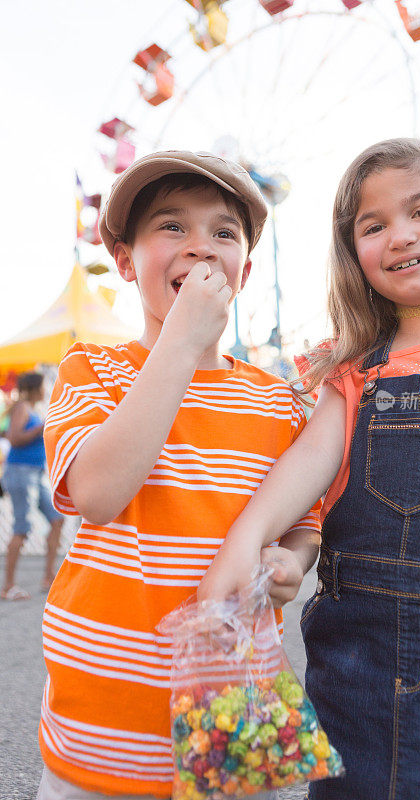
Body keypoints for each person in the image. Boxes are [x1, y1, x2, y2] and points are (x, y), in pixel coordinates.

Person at [199, 138, 420, 799]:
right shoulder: (352, 369)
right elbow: (308, 459)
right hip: (352, 662)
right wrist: (242, 540)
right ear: (351, 250)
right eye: (372, 225)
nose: (398, 236)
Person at [37, 150, 321, 800]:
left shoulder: (278, 401)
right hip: (99, 719)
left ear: (243, 269)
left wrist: (291, 562)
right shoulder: (93, 370)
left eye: (222, 232)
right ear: (125, 261)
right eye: (171, 226)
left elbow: (305, 524)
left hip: (232, 702)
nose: (199, 247)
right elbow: (99, 495)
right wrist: (179, 344)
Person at [1, 372, 63, 600]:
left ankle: (49, 576)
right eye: (43, 385)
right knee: (21, 527)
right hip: (20, 473)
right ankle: (8, 587)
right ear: (35, 388)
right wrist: (42, 428)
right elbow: (13, 438)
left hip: (35, 474)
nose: (46, 388)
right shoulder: (22, 408)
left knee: (57, 519)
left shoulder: (30, 409)